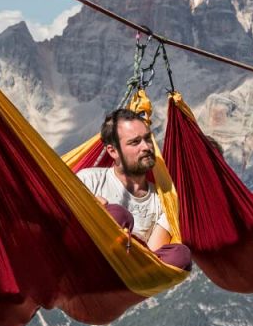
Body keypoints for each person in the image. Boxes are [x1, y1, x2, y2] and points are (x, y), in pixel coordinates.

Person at [76, 108, 193, 271]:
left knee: (180, 254)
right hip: (90, 260)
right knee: (117, 215)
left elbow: (152, 256)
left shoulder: (165, 199)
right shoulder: (89, 180)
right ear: (113, 151)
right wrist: (94, 206)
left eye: (147, 139)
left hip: (132, 271)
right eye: (135, 142)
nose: (146, 147)